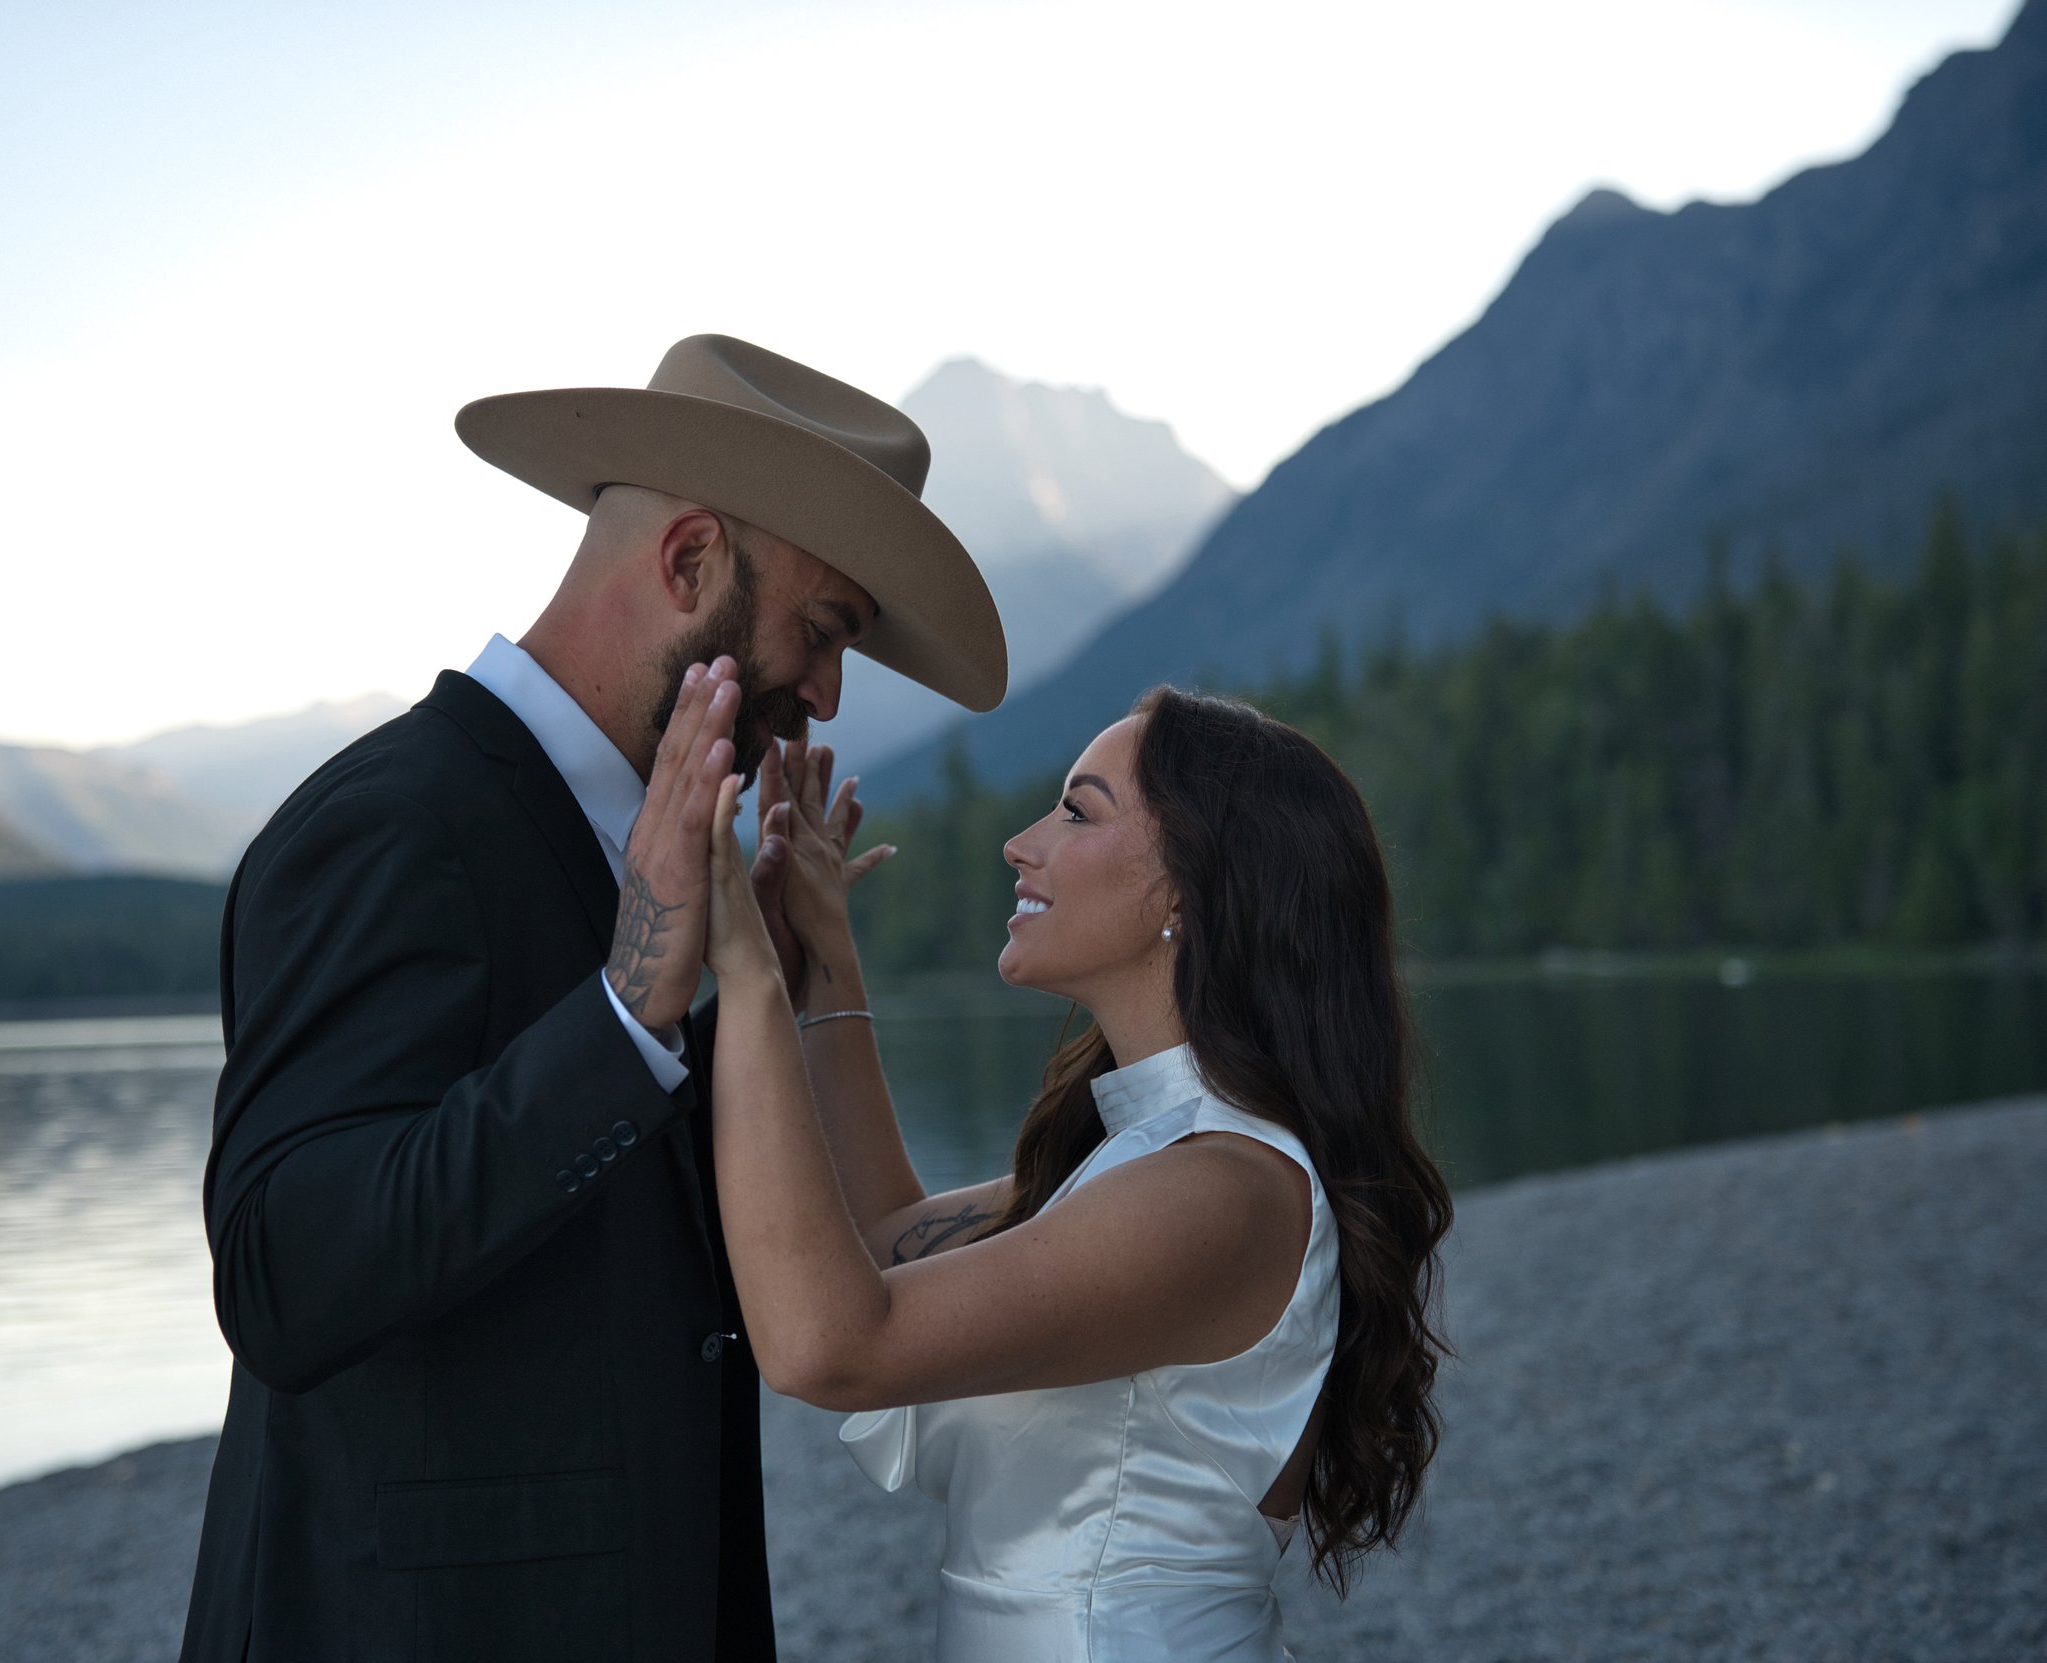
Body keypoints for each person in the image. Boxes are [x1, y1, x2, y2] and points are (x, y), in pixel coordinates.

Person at [177, 334, 1006, 1663]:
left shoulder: (670, 862)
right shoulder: (393, 823)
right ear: (689, 562)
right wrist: (627, 1010)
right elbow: (287, 1276)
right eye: (826, 628)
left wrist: (771, 1005)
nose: (833, 691)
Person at [694, 690, 1454, 1662]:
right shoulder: (1145, 1162)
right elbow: (881, 1241)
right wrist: (819, 953)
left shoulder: (1221, 1191)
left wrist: (745, 967)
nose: (1019, 842)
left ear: (1186, 886)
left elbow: (828, 1346)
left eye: (1076, 810)